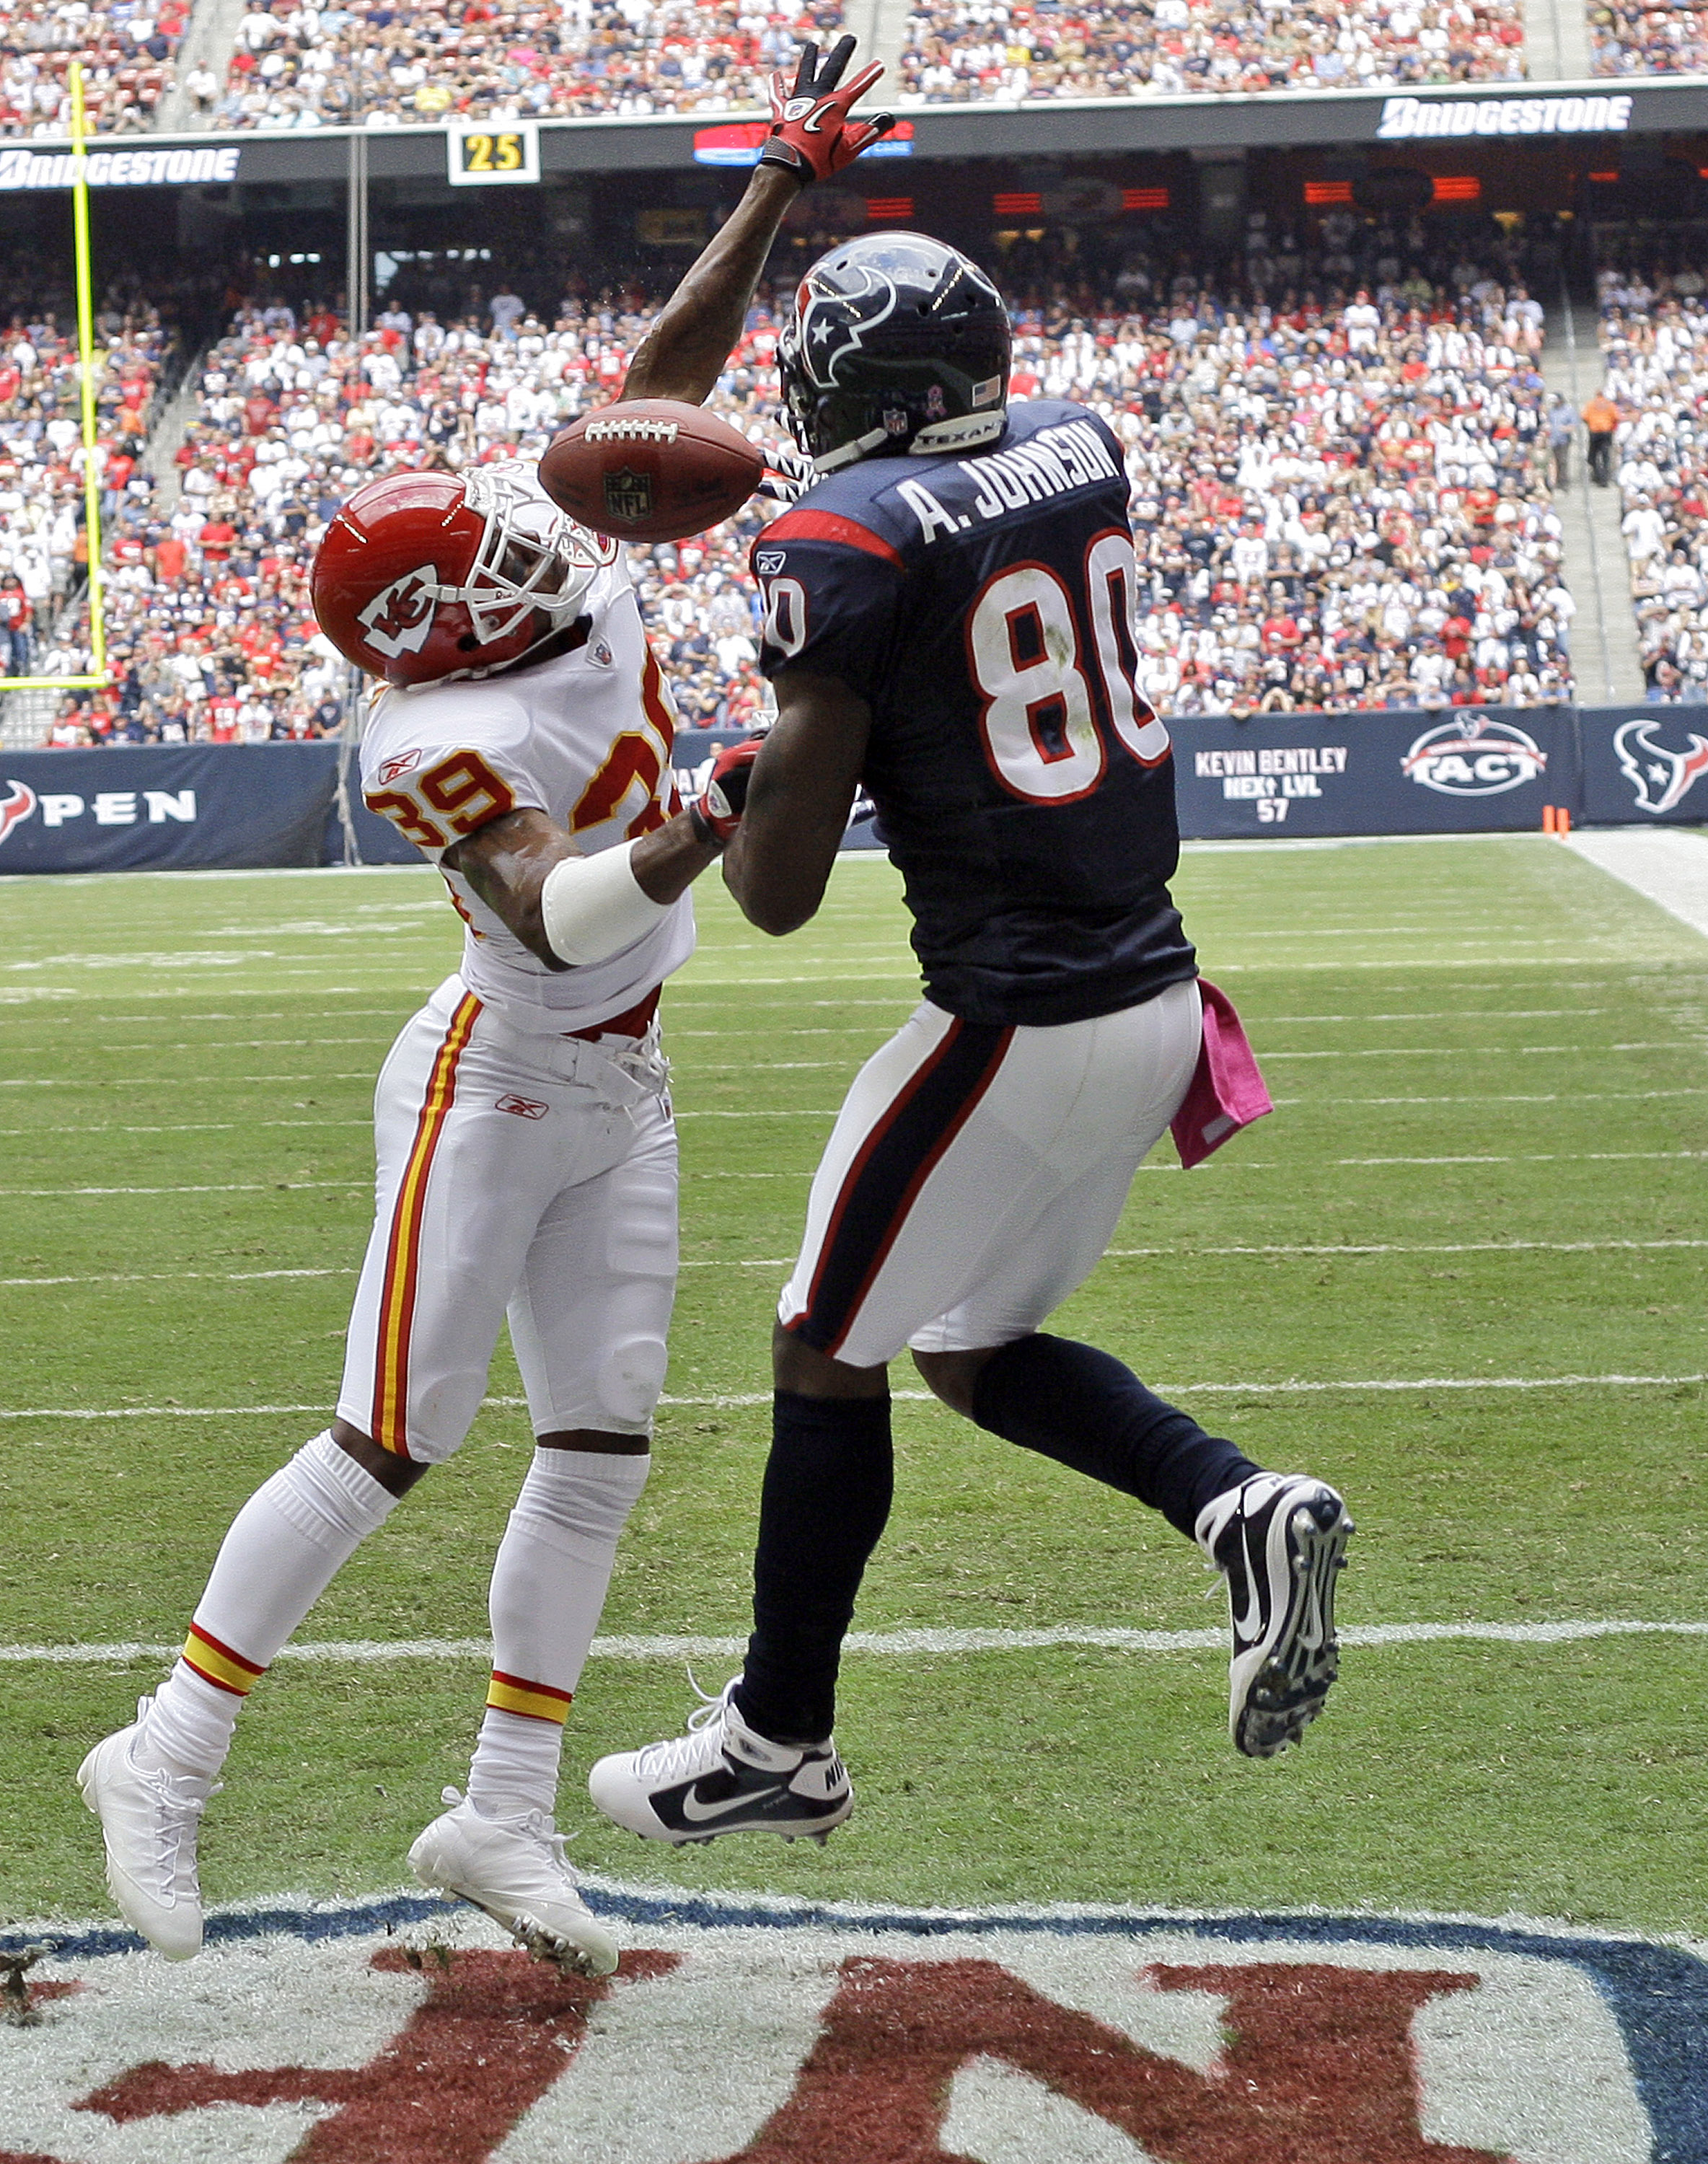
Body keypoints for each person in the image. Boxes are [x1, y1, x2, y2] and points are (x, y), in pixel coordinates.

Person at [71, 98, 860, 1966]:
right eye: (499, 566)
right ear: (436, 636)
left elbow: (652, 386)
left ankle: (499, 1820)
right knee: (388, 1438)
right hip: (496, 1072)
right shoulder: (423, 744)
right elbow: (553, 906)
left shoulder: (527, 553)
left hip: (626, 1075)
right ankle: (163, 1758)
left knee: (597, 1446)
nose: (550, 550)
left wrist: (777, 180)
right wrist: (713, 806)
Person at [589, 219, 1352, 1849]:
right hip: (1152, 1001)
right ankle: (1234, 1501)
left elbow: (779, 895)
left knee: (820, 1341)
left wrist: (746, 778)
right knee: (965, 1345)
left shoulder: (841, 536)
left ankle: (779, 1732)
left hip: (1011, 1024)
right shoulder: (1076, 447)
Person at [1582, 390, 1620, 488]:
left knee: (1592, 457)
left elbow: (1584, 417)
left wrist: (1592, 423)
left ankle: (1598, 476)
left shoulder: (1591, 404)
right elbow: (1616, 417)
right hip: (1606, 433)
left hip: (1595, 433)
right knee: (1605, 457)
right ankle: (1604, 479)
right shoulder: (1610, 405)